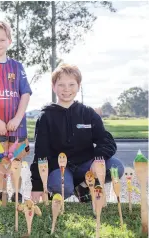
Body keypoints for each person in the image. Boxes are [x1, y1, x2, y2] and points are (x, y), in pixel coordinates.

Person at [30, 63, 124, 203]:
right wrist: (37, 185)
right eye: (61, 85)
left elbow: (105, 140)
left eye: (71, 84)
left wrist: (98, 158)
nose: (66, 89)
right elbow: (40, 152)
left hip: (86, 165)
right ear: (53, 86)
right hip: (60, 168)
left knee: (116, 167)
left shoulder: (88, 113)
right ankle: (58, 192)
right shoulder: (46, 117)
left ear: (78, 86)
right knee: (62, 187)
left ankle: (83, 187)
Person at [0, 21, 33, 202]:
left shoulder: (17, 67)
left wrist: (18, 118)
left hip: (16, 126)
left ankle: (17, 193)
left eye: (2, 39)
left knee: (16, 161)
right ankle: (2, 192)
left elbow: (25, 93)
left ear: (9, 41)